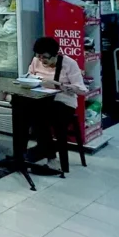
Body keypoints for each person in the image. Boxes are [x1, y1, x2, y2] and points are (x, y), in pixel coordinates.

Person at [26, 37, 88, 169]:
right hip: (41, 100)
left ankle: (47, 154)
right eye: (39, 56)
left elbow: (82, 90)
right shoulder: (36, 60)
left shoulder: (69, 64)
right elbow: (29, 76)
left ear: (56, 54)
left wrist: (60, 86)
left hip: (63, 102)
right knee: (28, 113)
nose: (42, 60)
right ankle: (41, 152)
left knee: (40, 118)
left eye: (46, 57)